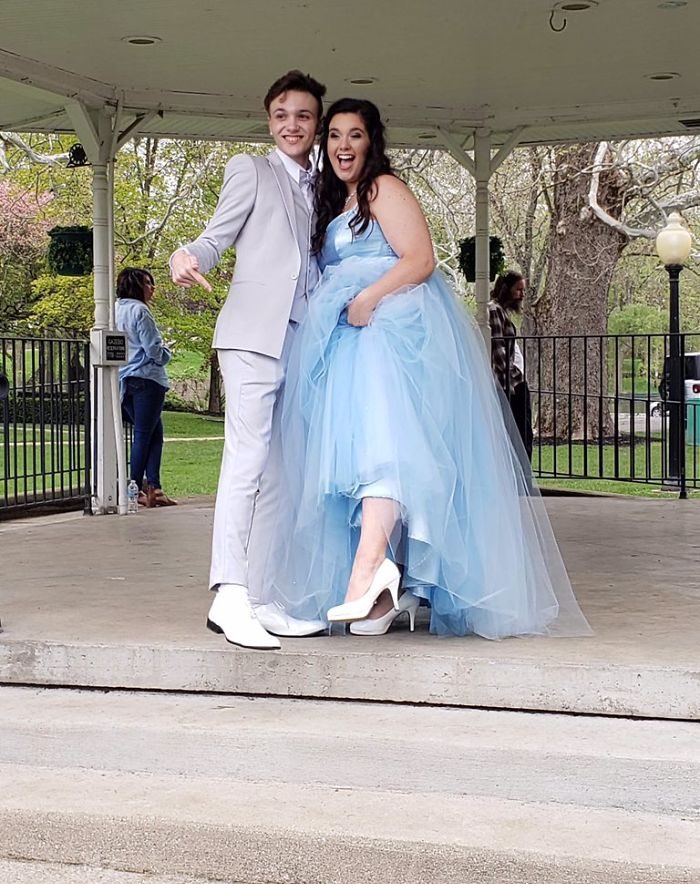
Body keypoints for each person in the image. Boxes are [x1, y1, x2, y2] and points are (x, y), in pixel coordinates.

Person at [256, 99, 591, 641]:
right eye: (335, 135)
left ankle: (369, 572)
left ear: (372, 141)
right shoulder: (332, 202)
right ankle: (382, 587)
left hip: (387, 332)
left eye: (355, 135)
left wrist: (368, 299)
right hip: (342, 339)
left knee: (384, 449)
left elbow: (420, 258)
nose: (343, 146)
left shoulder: (383, 188)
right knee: (354, 461)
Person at [170, 70, 328, 650]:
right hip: (251, 335)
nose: (292, 125)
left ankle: (262, 596)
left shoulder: (330, 182)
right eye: (282, 114)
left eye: (304, 116)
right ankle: (229, 592)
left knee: (286, 474)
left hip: (305, 340)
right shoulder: (251, 171)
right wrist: (185, 256)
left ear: (317, 124)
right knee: (248, 461)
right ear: (269, 121)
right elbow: (216, 236)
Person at [115, 267, 177, 509]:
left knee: (154, 434)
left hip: (124, 379)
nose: (153, 288)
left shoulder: (115, 309)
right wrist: (166, 354)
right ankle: (136, 489)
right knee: (143, 435)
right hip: (147, 381)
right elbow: (153, 350)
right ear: (137, 286)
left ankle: (155, 488)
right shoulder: (141, 311)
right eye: (149, 283)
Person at [488, 271, 533, 460]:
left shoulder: (501, 311)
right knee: (520, 432)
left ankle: (524, 474)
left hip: (511, 380)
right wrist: (512, 383)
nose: (521, 294)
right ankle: (522, 474)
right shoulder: (494, 311)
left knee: (524, 431)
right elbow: (498, 350)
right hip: (509, 383)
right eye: (518, 290)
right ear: (506, 289)